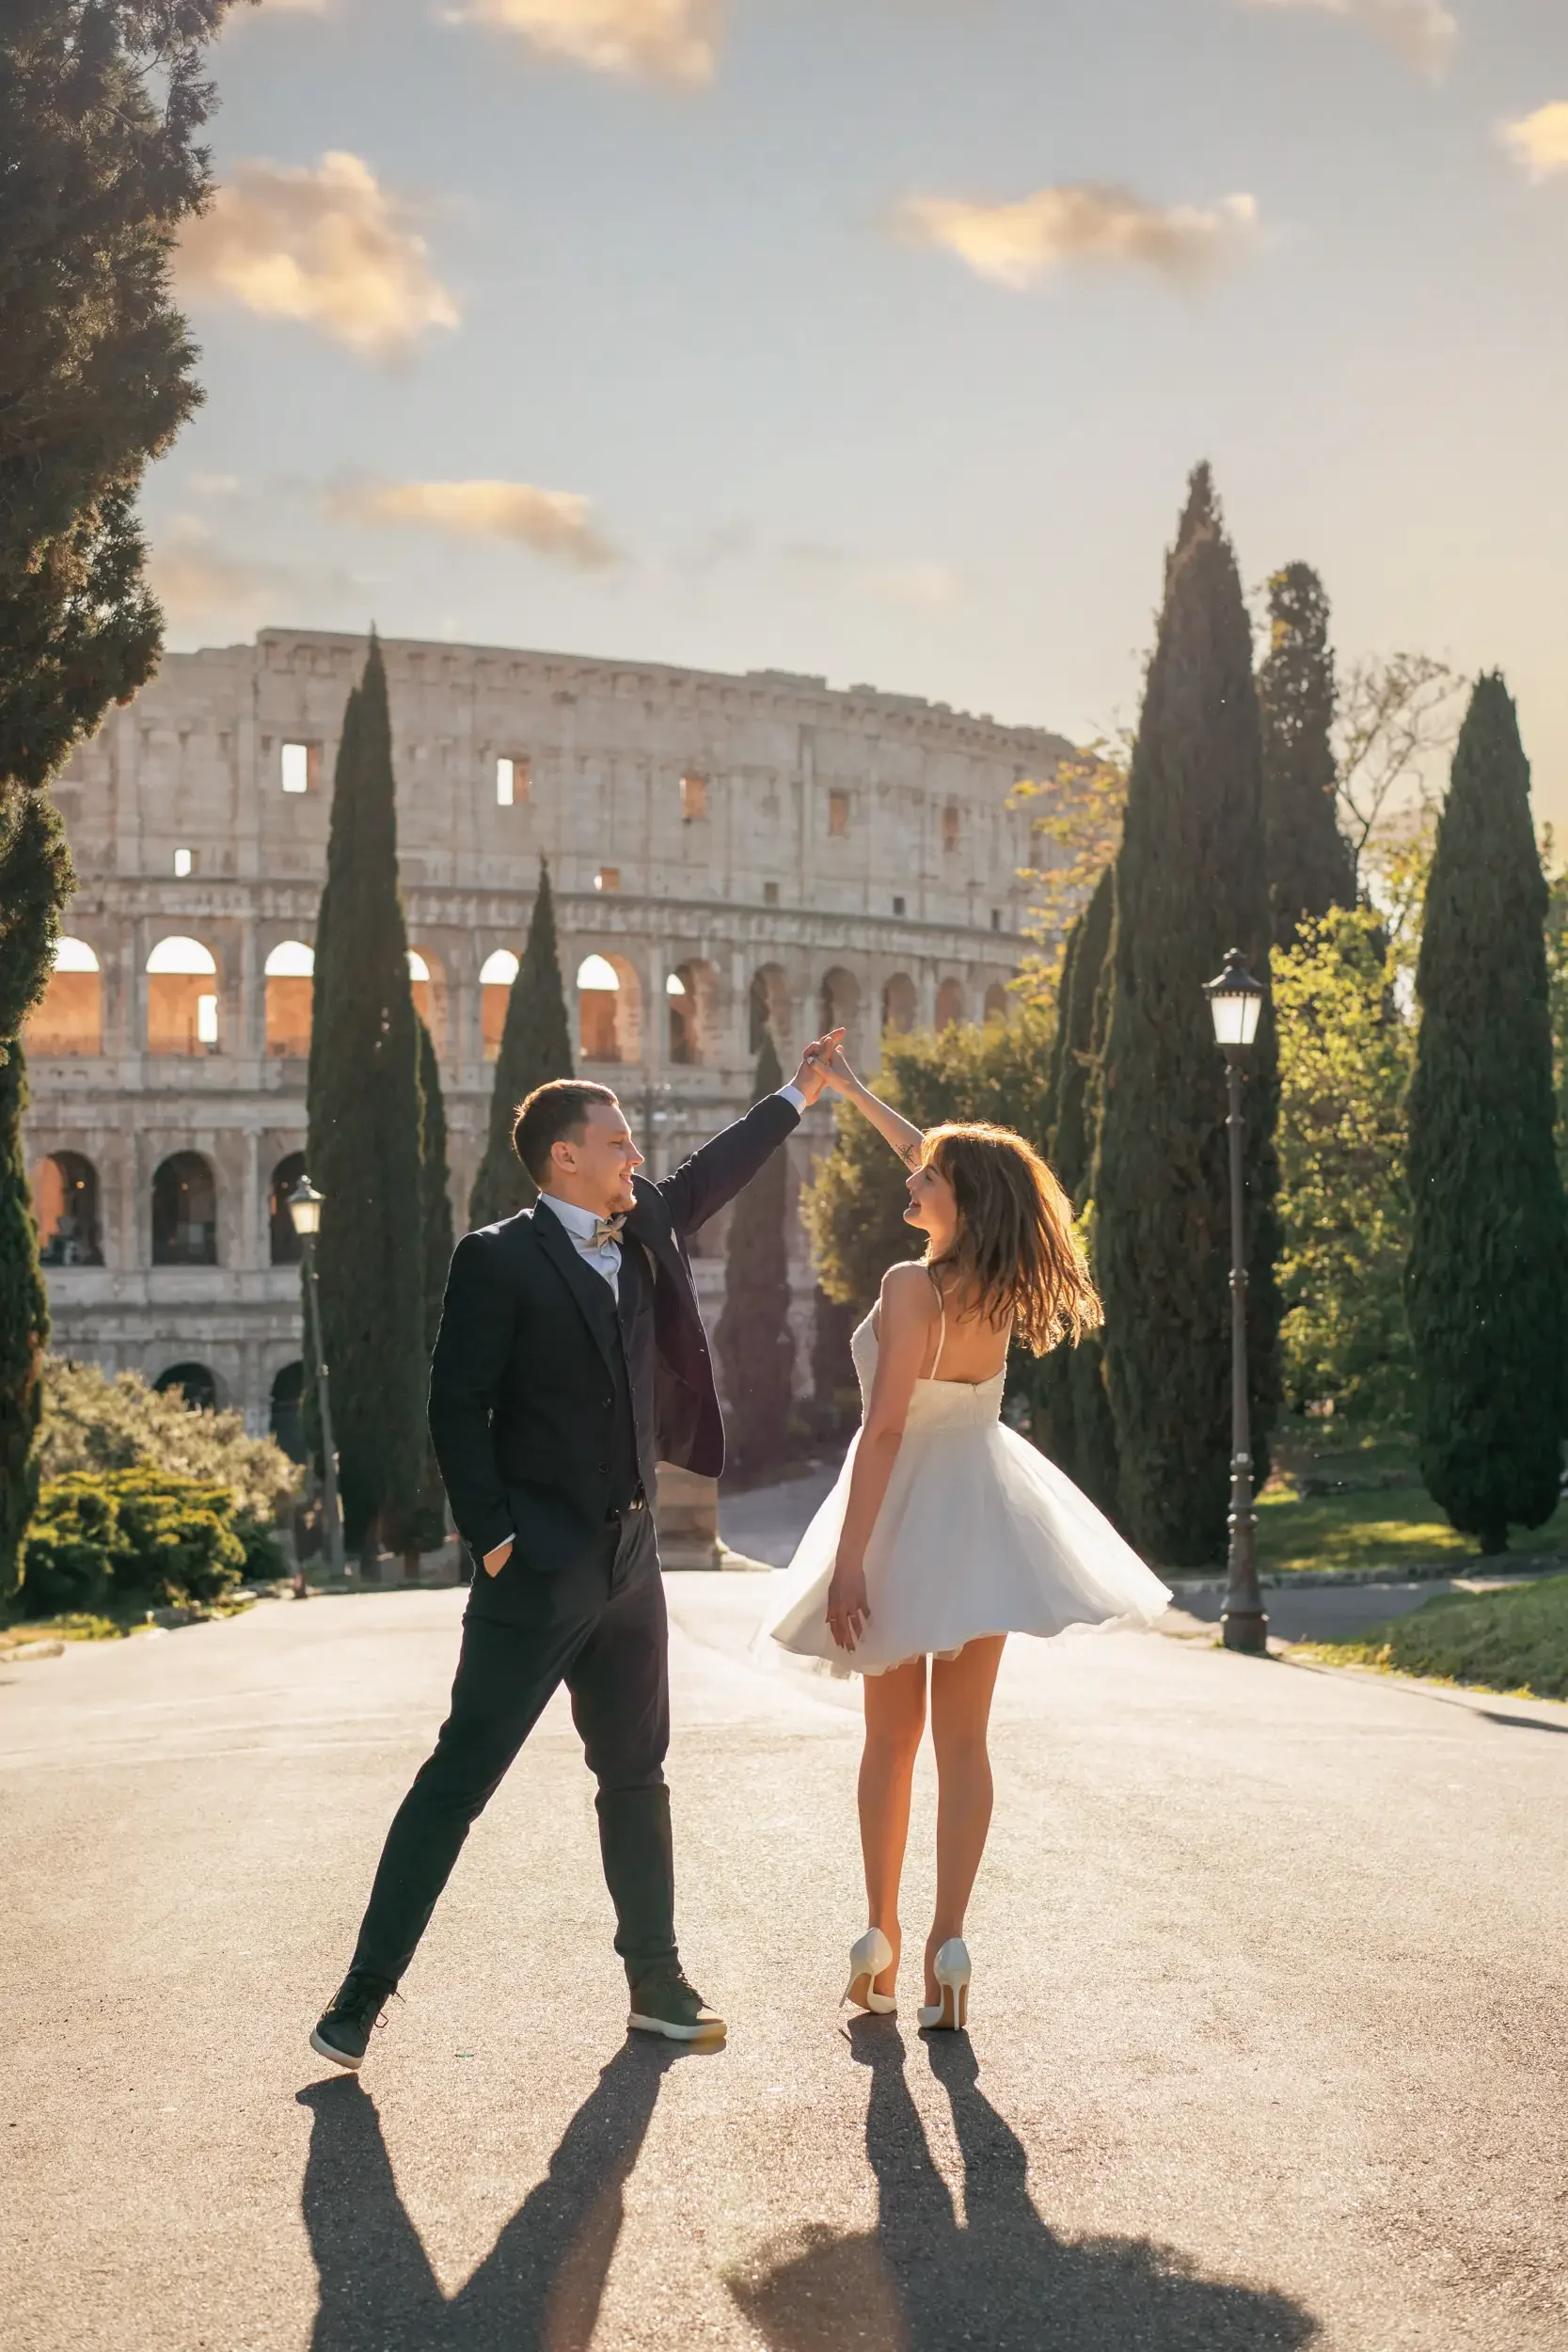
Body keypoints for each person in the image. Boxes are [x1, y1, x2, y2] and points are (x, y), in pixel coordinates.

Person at [310, 1034, 843, 2070]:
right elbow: (453, 1405)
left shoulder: (642, 1225)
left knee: (636, 1775)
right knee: (458, 1780)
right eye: (616, 1141)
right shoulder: (496, 1258)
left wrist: (794, 1093)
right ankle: (361, 1997)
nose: (634, 1157)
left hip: (630, 1567)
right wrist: (497, 1540)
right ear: (563, 1156)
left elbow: (709, 1173)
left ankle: (656, 1979)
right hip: (536, 1570)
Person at [763, 1048, 1170, 2029]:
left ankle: (878, 1939)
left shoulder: (913, 1284)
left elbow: (887, 1427)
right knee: (962, 1742)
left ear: (955, 1199)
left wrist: (849, 1560)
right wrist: (855, 1094)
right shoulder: (996, 1271)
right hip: (982, 1506)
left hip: (905, 1505)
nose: (909, 1176)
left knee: (887, 1743)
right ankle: (951, 1945)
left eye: (924, 1176)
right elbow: (951, 1161)